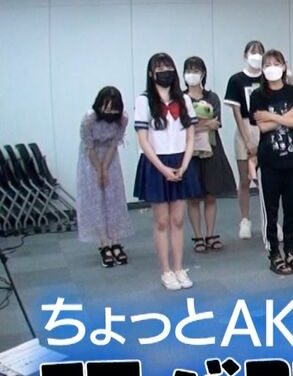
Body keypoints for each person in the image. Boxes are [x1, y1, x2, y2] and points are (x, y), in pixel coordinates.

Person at [133, 53, 202, 290]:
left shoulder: (184, 99)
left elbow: (191, 137)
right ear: (151, 73)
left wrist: (184, 165)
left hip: (181, 160)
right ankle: (165, 270)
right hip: (156, 163)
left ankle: (179, 267)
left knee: (178, 219)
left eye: (168, 67)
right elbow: (143, 141)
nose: (165, 71)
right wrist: (163, 169)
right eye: (160, 68)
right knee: (162, 220)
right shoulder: (144, 101)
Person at [249, 49, 293, 275]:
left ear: (284, 66)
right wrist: (289, 115)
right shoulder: (258, 95)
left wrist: (271, 116)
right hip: (269, 161)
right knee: (271, 211)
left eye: (276, 63)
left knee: (292, 210)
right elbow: (262, 127)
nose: (272, 68)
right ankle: (274, 253)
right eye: (267, 64)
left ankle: (290, 251)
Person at [183, 56, 238, 253]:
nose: (192, 74)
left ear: (203, 73)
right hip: (189, 153)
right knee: (193, 197)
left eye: (196, 70)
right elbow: (183, 127)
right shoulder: (180, 98)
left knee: (210, 195)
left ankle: (211, 234)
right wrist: (203, 124)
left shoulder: (212, 97)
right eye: (189, 70)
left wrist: (196, 124)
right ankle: (198, 236)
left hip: (212, 149)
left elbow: (216, 123)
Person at [77, 86, 133, 267]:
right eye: (105, 107)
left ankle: (116, 241)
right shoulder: (89, 118)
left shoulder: (122, 118)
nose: (109, 112)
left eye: (113, 108)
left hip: (110, 157)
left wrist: (106, 168)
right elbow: (88, 146)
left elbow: (114, 144)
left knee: (113, 198)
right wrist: (99, 170)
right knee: (95, 199)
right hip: (90, 159)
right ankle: (104, 243)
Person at [224, 40, 265, 240]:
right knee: (245, 179)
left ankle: (271, 219)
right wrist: (247, 138)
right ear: (245, 55)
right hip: (245, 129)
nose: (256, 55)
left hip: (265, 126)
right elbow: (237, 112)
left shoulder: (268, 77)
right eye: (252, 51)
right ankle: (245, 219)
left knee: (266, 180)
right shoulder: (236, 80)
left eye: (260, 51)